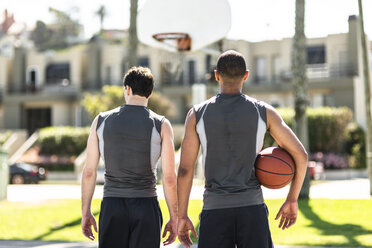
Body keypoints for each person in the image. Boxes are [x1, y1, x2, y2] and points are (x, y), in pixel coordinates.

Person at [177, 50, 308, 248]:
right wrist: (292, 199)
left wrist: (182, 215)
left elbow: (185, 170)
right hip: (252, 209)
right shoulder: (264, 111)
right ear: (246, 75)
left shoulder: (197, 114)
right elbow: (301, 155)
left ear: (216, 75)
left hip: (214, 210)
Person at [81, 66, 178, 248]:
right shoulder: (161, 125)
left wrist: (86, 212)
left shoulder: (101, 121)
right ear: (150, 93)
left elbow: (88, 172)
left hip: (112, 206)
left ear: (127, 89)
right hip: (146, 206)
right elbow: (170, 178)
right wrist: (174, 217)